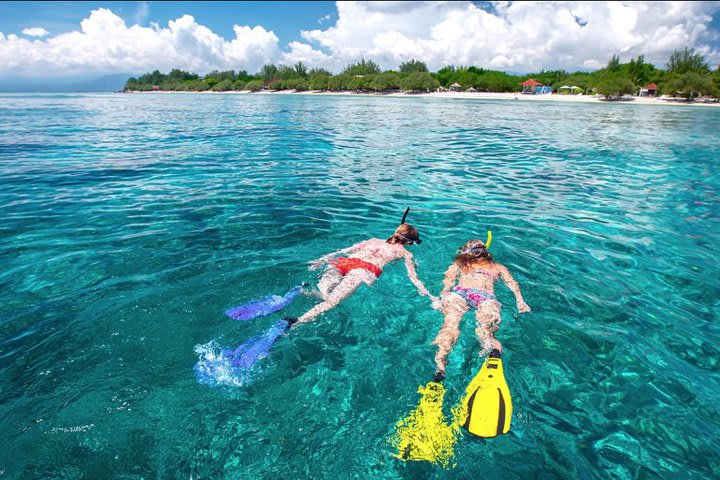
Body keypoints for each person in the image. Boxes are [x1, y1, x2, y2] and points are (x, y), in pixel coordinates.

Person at [287, 215, 436, 325]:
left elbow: (345, 250)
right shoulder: (405, 253)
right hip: (363, 270)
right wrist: (430, 296)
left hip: (343, 262)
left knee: (324, 293)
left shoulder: (373, 240)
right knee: (332, 302)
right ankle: (297, 321)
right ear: (409, 242)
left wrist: (321, 260)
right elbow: (413, 277)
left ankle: (304, 290)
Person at [431, 238, 530, 381]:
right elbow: (511, 283)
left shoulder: (460, 264)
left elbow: (448, 281)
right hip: (485, 297)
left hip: (459, 293)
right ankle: (491, 354)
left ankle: (440, 367)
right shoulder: (498, 267)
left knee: (450, 327)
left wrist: (441, 297)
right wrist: (520, 301)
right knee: (486, 333)